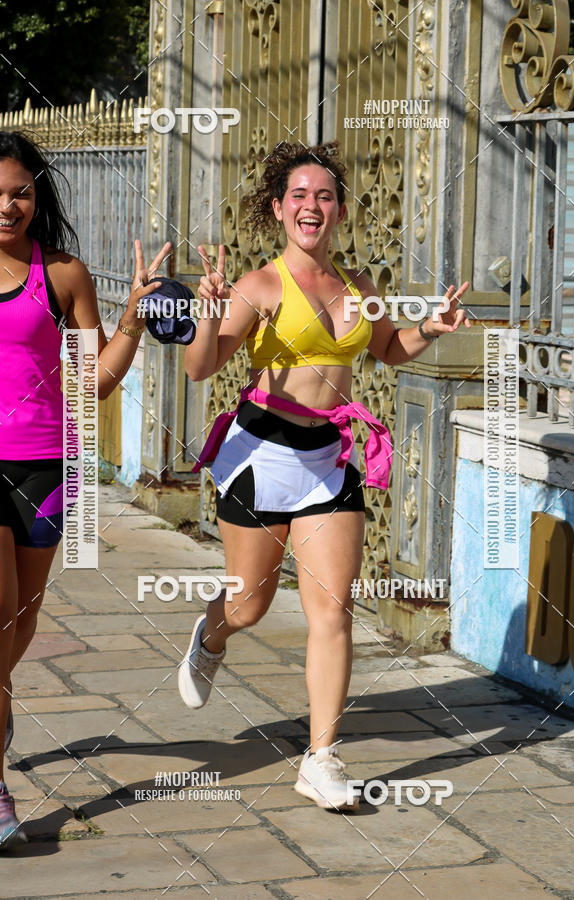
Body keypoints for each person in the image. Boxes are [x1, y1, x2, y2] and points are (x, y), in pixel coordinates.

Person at [179, 140, 469, 810]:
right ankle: (211, 634)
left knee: (332, 611)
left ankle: (321, 758)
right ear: (279, 208)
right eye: (300, 196)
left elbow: (390, 350)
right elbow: (200, 368)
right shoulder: (258, 287)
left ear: (338, 210)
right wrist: (206, 311)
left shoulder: (360, 289)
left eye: (326, 196)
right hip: (259, 456)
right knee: (248, 603)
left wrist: (433, 328)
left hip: (329, 460)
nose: (313, 207)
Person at [0, 129, 170, 851]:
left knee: (14, 634)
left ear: (38, 194)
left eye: (20, 191)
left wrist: (129, 321)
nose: (8, 205)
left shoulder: (62, 273)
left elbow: (92, 380)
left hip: (45, 466)